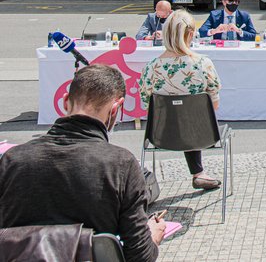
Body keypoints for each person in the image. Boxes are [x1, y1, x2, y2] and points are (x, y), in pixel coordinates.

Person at [0, 65, 164, 262]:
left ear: (65, 102)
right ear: (115, 109)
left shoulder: (11, 160)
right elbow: (140, 257)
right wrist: (153, 235)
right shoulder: (121, 165)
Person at [139, 10, 223, 190]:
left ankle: (198, 173)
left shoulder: (151, 67)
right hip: (201, 135)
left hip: (161, 134)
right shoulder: (203, 64)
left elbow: (146, 106)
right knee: (191, 116)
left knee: (182, 116)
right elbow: (214, 105)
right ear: (191, 34)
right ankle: (198, 173)